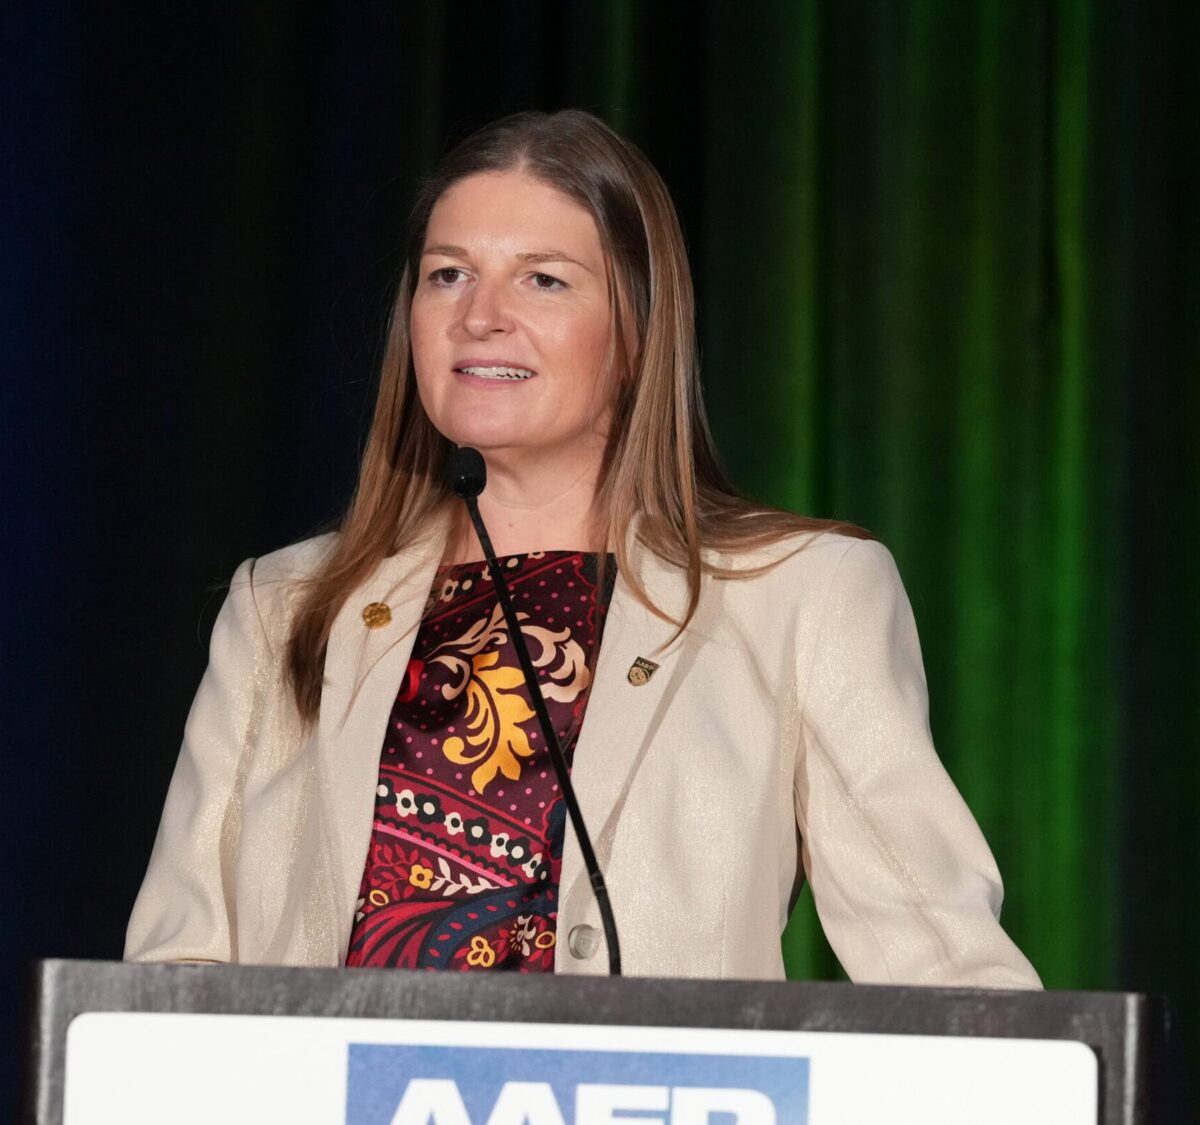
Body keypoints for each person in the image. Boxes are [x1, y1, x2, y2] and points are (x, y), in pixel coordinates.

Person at [126, 109, 1040, 987]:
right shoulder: (286, 603)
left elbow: (943, 966)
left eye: (544, 280)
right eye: (448, 274)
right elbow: (174, 975)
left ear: (638, 330)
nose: (479, 315)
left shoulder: (802, 595)